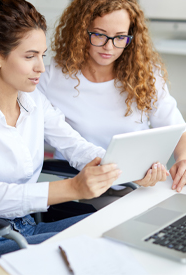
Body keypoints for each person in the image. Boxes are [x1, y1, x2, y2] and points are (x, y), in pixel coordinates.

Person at [0, 0, 126, 266]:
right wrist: (71, 188)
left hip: (27, 228)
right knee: (91, 250)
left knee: (118, 228)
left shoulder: (34, 103)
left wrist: (129, 166)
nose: (41, 67)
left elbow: (78, 148)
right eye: (30, 56)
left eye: (42, 55)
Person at [38, 0, 186, 193]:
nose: (109, 47)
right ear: (81, 32)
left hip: (139, 185)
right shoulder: (51, 79)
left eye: (120, 37)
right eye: (99, 35)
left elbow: (176, 129)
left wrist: (183, 159)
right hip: (80, 189)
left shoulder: (146, 76)